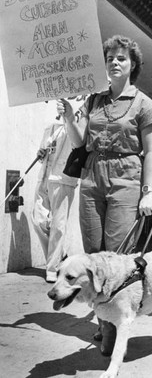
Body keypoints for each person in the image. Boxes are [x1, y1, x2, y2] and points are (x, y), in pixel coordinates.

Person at [57, 35, 152, 254]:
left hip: (127, 176)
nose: (114, 62)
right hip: (92, 176)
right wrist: (68, 117)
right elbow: (79, 142)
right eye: (109, 58)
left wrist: (148, 192)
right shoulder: (94, 100)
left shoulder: (144, 104)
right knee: (93, 249)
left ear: (132, 64)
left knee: (118, 250)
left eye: (121, 58)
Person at [31, 120, 79, 283]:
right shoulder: (50, 127)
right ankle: (60, 256)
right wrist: (41, 154)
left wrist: (70, 119)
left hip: (62, 179)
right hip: (44, 176)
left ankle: (53, 268)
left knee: (58, 225)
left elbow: (77, 145)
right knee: (38, 221)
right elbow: (44, 150)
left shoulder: (76, 124)